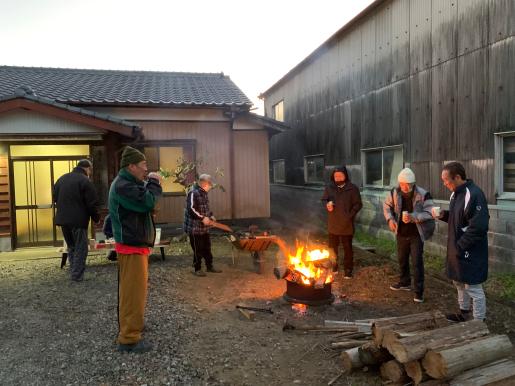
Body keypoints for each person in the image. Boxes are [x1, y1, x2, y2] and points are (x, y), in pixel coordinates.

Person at [108, 146, 162, 353]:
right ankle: (129, 338)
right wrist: (155, 183)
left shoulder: (128, 183)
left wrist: (150, 185)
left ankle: (132, 325)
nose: (146, 170)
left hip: (134, 244)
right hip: (131, 246)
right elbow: (150, 201)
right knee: (133, 293)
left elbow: (148, 204)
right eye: (143, 165)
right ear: (131, 166)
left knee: (134, 291)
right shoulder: (123, 186)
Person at [435, 162, 489, 322]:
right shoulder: (455, 194)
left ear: (457, 177)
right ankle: (463, 313)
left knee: (473, 287)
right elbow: (459, 218)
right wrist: (443, 214)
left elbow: (478, 227)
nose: (445, 184)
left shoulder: (474, 194)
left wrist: (459, 246)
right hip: (457, 248)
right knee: (458, 282)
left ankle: (479, 322)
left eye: (447, 180)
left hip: (470, 250)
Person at [383, 168, 435, 303]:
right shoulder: (395, 191)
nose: (403, 187)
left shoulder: (423, 194)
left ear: (413, 183)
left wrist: (414, 217)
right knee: (402, 259)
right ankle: (404, 282)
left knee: (417, 262)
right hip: (401, 232)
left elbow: (430, 213)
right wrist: (390, 219)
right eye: (401, 184)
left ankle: (419, 291)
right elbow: (387, 206)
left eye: (406, 184)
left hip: (416, 234)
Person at [54, 159, 100, 282]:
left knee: (72, 246)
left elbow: (55, 197)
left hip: (63, 219)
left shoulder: (62, 179)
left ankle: (74, 271)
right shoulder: (85, 181)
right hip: (78, 220)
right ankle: (77, 275)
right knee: (81, 247)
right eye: (90, 170)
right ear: (88, 169)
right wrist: (96, 218)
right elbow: (92, 203)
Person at [321, 166, 362, 278]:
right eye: (335, 176)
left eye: (340, 175)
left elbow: (358, 204)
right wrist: (327, 204)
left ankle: (348, 270)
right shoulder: (329, 188)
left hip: (346, 223)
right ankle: (334, 267)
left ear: (345, 176)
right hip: (333, 222)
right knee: (332, 248)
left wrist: (350, 215)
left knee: (347, 248)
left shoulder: (352, 188)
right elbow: (324, 199)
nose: (338, 178)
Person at [184, 174, 222, 276]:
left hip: (204, 228)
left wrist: (211, 215)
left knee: (207, 247)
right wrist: (202, 218)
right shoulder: (193, 193)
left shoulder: (204, 193)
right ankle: (197, 269)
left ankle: (209, 266)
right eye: (210, 184)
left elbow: (205, 208)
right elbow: (191, 209)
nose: (210, 186)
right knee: (198, 249)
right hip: (194, 228)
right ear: (204, 183)